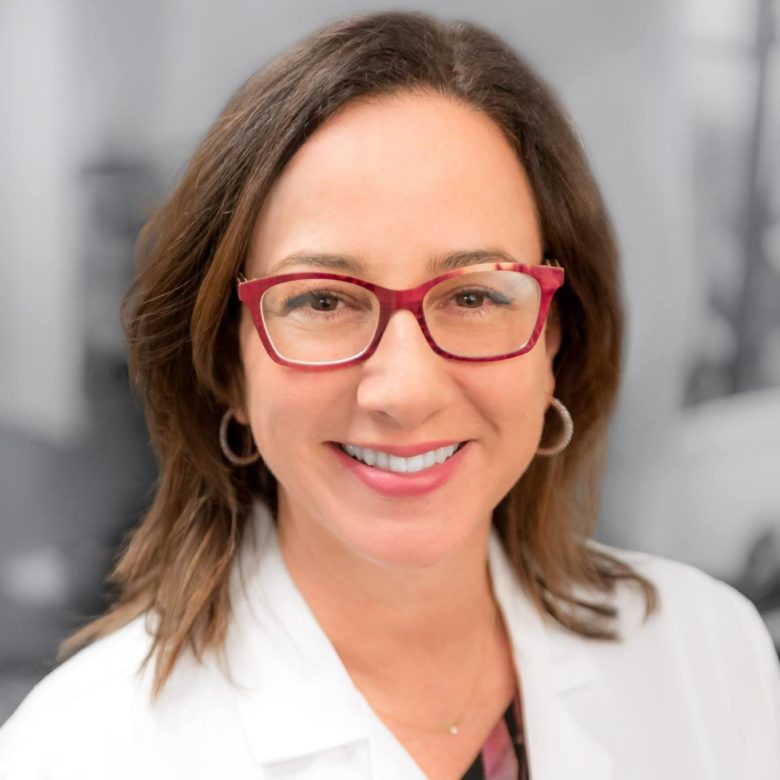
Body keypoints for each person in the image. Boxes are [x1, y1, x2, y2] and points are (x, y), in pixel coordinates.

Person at [1, 10, 778, 780]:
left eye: (474, 296)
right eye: (323, 301)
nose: (404, 391)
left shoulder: (709, 657)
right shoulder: (80, 751)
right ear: (230, 368)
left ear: (553, 344)